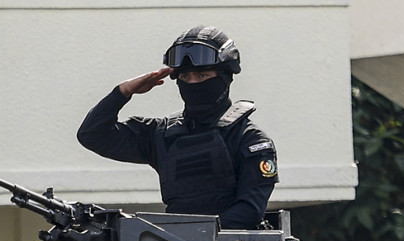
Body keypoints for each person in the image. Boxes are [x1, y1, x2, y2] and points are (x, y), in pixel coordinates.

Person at [77, 26, 278, 230]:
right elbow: (91, 135)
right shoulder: (162, 134)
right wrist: (123, 92)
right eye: (184, 77)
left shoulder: (250, 139)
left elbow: (249, 211)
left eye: (202, 76)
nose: (192, 83)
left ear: (225, 76)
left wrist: (191, 237)